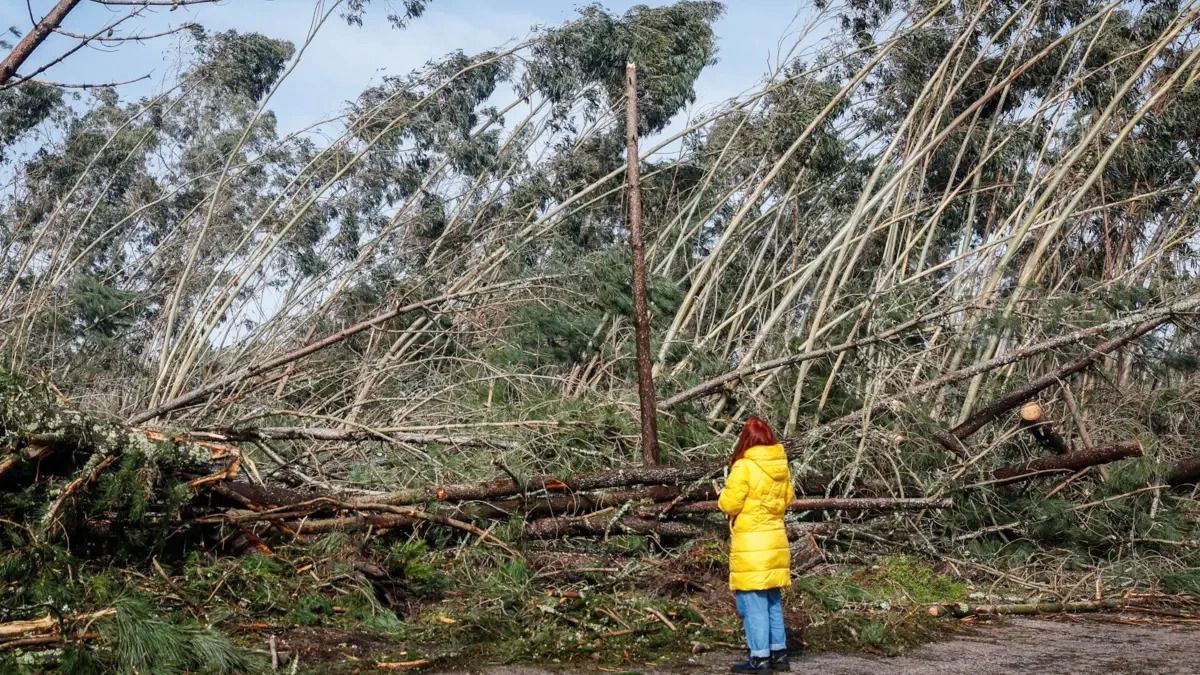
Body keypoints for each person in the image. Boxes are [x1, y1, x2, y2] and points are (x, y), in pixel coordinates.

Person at [718, 417, 793, 673]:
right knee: (772, 599)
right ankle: (779, 654)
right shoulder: (781, 466)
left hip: (752, 544)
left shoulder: (744, 467)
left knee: (753, 602)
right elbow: (788, 497)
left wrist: (722, 496)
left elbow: (730, 504)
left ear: (746, 439)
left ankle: (759, 658)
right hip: (775, 540)